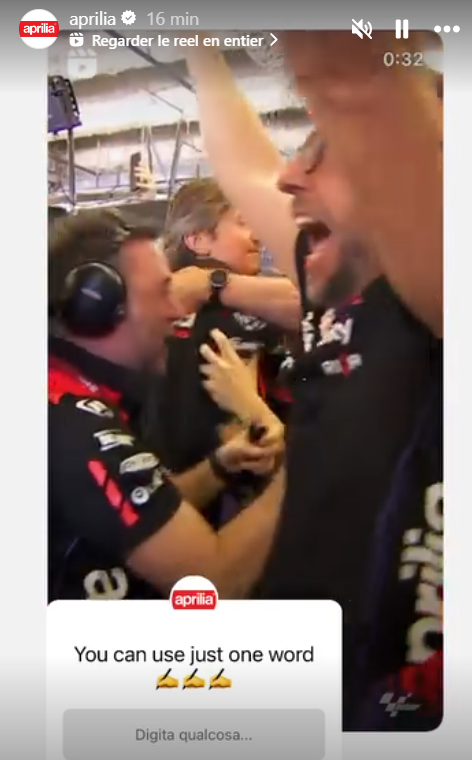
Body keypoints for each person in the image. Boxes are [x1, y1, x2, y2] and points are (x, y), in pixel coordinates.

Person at [182, 42, 441, 728]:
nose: (290, 175)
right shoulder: (342, 284)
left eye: (326, 154)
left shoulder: (444, 306)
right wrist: (198, 44)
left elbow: (360, 82)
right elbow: (246, 166)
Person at [48, 208, 285, 601]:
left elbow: (137, 507)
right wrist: (305, 461)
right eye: (161, 293)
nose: (176, 312)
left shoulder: (67, 395)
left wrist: (219, 467)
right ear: (96, 306)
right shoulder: (73, 426)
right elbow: (213, 583)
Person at [161, 178, 291, 526]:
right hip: (239, 497)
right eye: (243, 223)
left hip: (171, 499)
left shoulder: (152, 309)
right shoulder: (242, 311)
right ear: (198, 239)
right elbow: (316, 303)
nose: (257, 236)